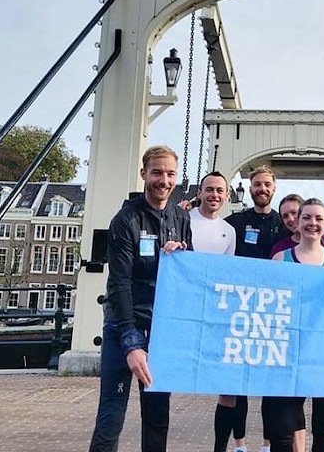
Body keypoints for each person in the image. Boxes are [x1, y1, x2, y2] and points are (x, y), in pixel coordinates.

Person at [88, 145, 192, 452]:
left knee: (158, 416)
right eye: (157, 172)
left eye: (170, 173)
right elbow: (119, 282)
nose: (164, 180)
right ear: (144, 173)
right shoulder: (125, 220)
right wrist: (131, 342)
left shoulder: (180, 218)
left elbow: (189, 273)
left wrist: (184, 256)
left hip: (161, 330)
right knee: (111, 416)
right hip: (124, 326)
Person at [266, 198, 324, 452]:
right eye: (307, 217)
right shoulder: (280, 259)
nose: (312, 223)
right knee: (284, 425)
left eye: (319, 218)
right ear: (297, 221)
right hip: (290, 350)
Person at [218, 165, 289, 452]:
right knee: (236, 386)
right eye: (257, 184)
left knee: (271, 389)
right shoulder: (234, 222)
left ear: (274, 189)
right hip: (240, 310)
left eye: (267, 185)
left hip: (272, 313)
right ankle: (236, 445)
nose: (262, 189)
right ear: (250, 188)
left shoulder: (285, 224)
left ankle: (268, 445)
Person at [187, 171, 246, 452]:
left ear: (226, 195)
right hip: (187, 307)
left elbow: (228, 272)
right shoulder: (183, 219)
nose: (214, 195)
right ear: (200, 192)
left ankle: (220, 447)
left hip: (215, 312)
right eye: (209, 189)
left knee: (228, 387)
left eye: (220, 191)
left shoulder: (228, 231)